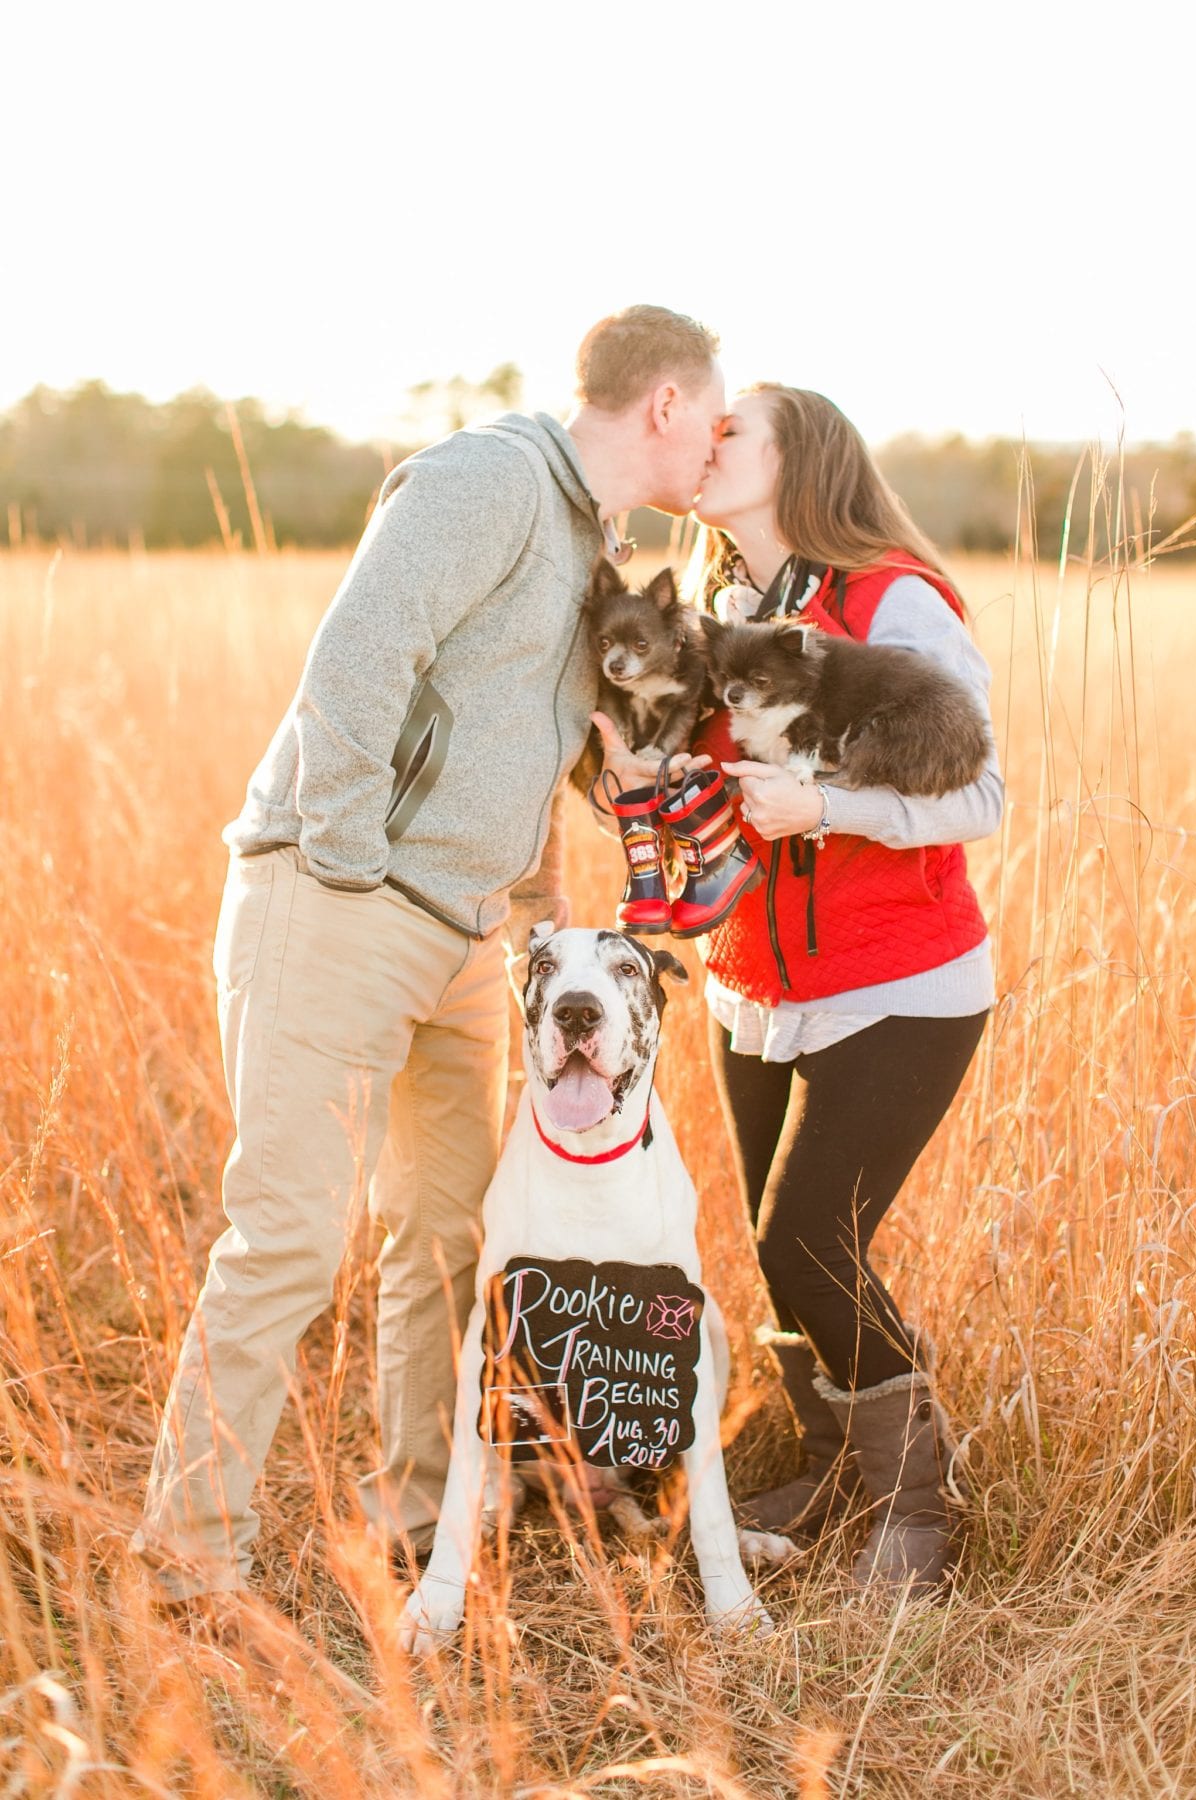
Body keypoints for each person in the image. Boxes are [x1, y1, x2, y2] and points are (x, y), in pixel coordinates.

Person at [131, 305, 728, 1603]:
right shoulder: (491, 480)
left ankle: (413, 1521)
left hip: (461, 939)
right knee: (289, 1234)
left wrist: (538, 922)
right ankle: (185, 1571)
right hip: (341, 902)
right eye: (713, 412)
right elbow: (359, 655)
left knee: (443, 1235)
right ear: (663, 406)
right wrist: (346, 864)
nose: (719, 441)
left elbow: (522, 746)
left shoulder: (592, 546)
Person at [607, 384, 1002, 1594]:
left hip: (903, 982)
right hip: (752, 987)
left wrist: (829, 808)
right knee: (783, 1253)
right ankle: (839, 1471)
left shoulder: (895, 599)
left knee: (807, 1240)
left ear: (804, 461)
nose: (706, 443)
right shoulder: (722, 609)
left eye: (736, 432)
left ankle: (915, 1522)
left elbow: (982, 795)